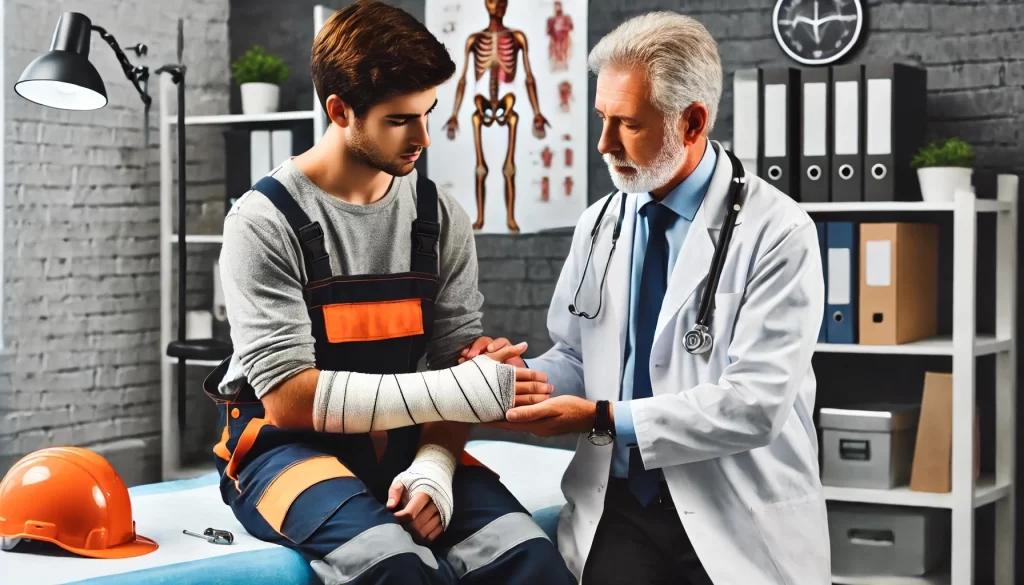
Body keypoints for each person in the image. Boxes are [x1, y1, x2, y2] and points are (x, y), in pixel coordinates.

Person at [206, 2, 575, 584]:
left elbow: (459, 380)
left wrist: (433, 466)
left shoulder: (440, 217)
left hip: (407, 449)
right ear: (340, 110)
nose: (423, 137)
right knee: (396, 566)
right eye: (400, 119)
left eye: (428, 112)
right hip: (285, 453)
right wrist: (462, 388)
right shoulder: (262, 221)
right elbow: (290, 399)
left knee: (529, 558)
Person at [483, 10, 830, 585]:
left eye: (627, 124)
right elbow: (574, 356)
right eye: (601, 118)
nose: (603, 143)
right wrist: (522, 377)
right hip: (622, 507)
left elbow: (754, 406)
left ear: (691, 123)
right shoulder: (600, 223)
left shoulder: (779, 232)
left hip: (735, 508)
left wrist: (600, 418)